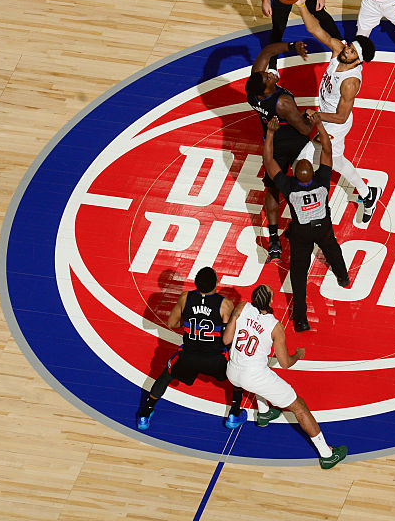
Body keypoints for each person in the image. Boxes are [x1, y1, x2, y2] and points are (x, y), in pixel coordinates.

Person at [223, 283, 348, 469]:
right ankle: (327, 454)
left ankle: (264, 413)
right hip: (253, 376)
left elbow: (226, 339)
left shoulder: (241, 308)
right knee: (299, 407)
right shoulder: (275, 327)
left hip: (233, 372)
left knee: (261, 371)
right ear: (271, 301)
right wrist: (298, 354)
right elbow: (285, 363)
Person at [292, 0, 383, 222]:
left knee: (303, 161)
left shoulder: (350, 82)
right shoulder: (338, 50)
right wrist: (301, 5)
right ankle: (368, 193)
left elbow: (341, 117)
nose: (346, 50)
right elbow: (315, 29)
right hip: (325, 115)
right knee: (338, 161)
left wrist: (316, 116)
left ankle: (311, 211)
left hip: (334, 123)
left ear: (358, 60)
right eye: (348, 47)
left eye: (351, 52)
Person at [264, 114, 351, 332]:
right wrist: (319, 124)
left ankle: (301, 320)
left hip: (301, 233)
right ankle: (343, 277)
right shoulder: (322, 180)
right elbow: (327, 150)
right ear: (313, 172)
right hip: (322, 228)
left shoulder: (289, 186)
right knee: (333, 249)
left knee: (298, 273)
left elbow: (269, 162)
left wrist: (270, 133)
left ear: (294, 174)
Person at [135, 266, 243, 431]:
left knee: (166, 376)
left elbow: (172, 323)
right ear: (216, 283)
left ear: (196, 283)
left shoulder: (185, 297)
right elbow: (228, 338)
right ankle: (234, 415)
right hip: (215, 358)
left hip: (188, 356)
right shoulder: (225, 304)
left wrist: (190, 325)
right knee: (238, 375)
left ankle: (145, 413)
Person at [246, 40, 315, 263]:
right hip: (294, 143)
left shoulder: (253, 89)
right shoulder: (283, 103)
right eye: (268, 78)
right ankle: (305, 227)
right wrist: (311, 116)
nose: (270, 74)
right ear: (266, 90)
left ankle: (274, 240)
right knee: (305, 186)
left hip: (272, 142)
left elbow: (267, 51)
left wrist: (292, 46)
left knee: (272, 188)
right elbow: (304, 129)